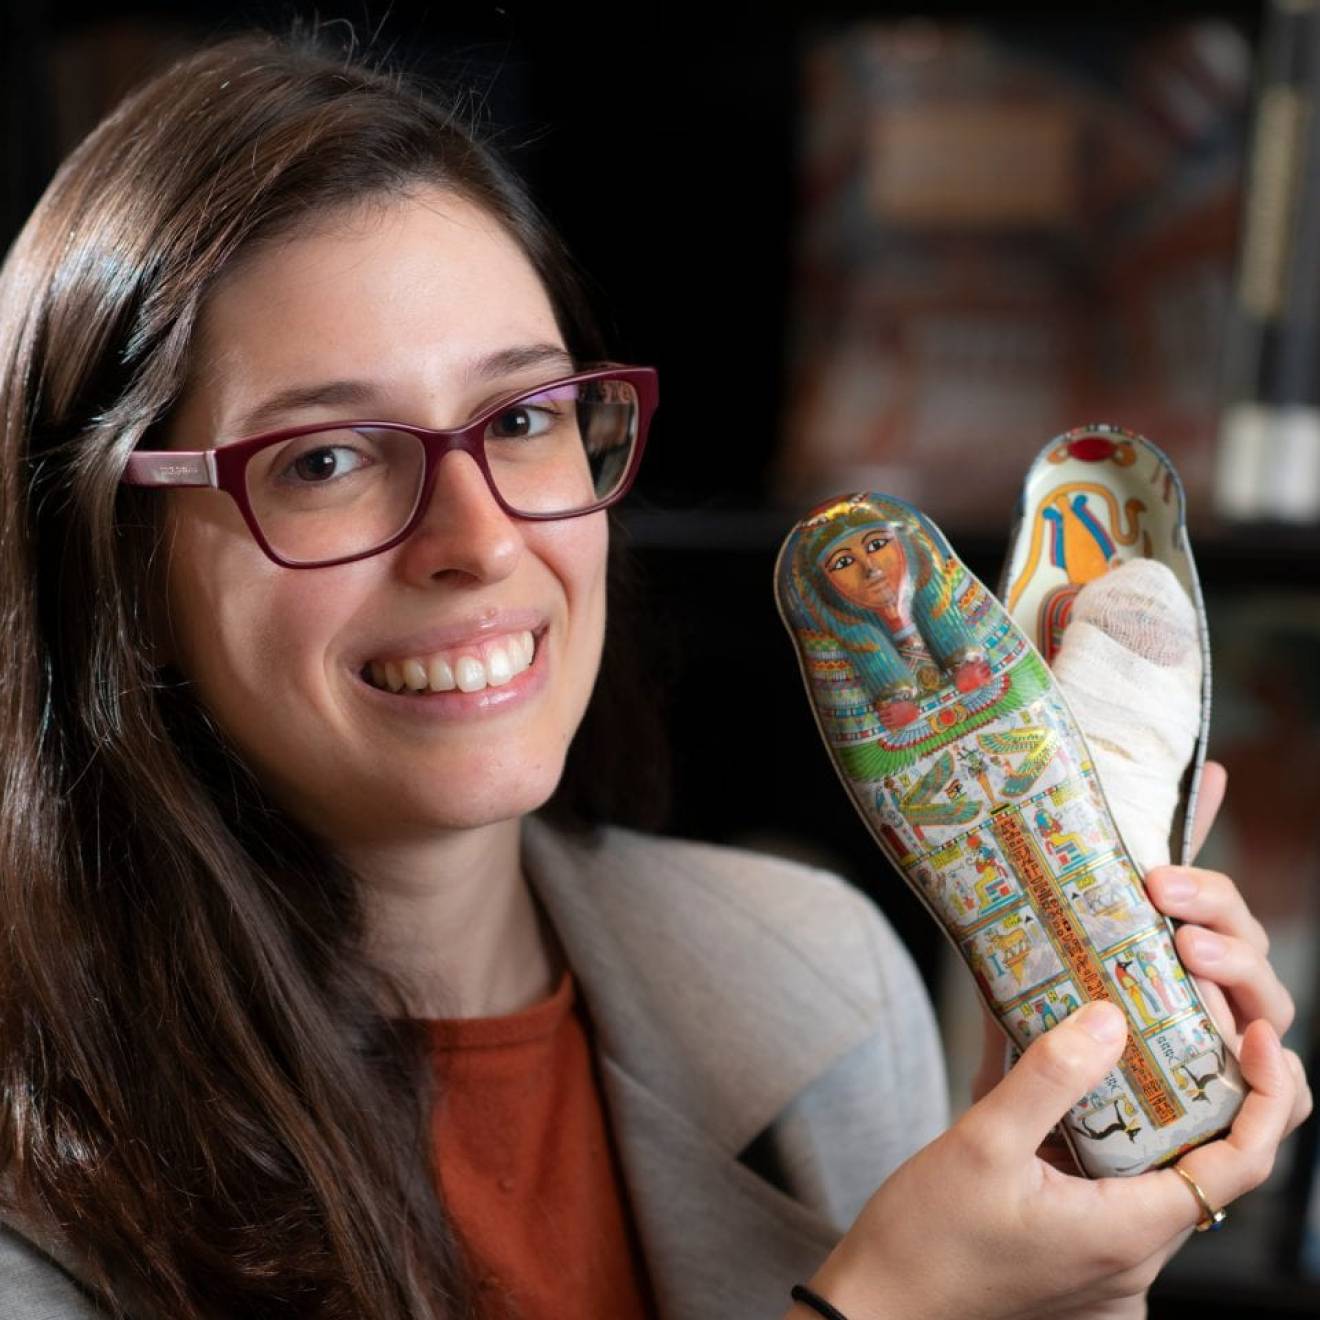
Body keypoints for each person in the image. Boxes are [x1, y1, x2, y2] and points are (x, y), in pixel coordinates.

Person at [0, 28, 1307, 1320]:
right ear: (117, 562)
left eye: (521, 420)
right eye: (326, 460)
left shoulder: (821, 976)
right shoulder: (31, 1203)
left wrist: (1073, 1283)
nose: (482, 541)